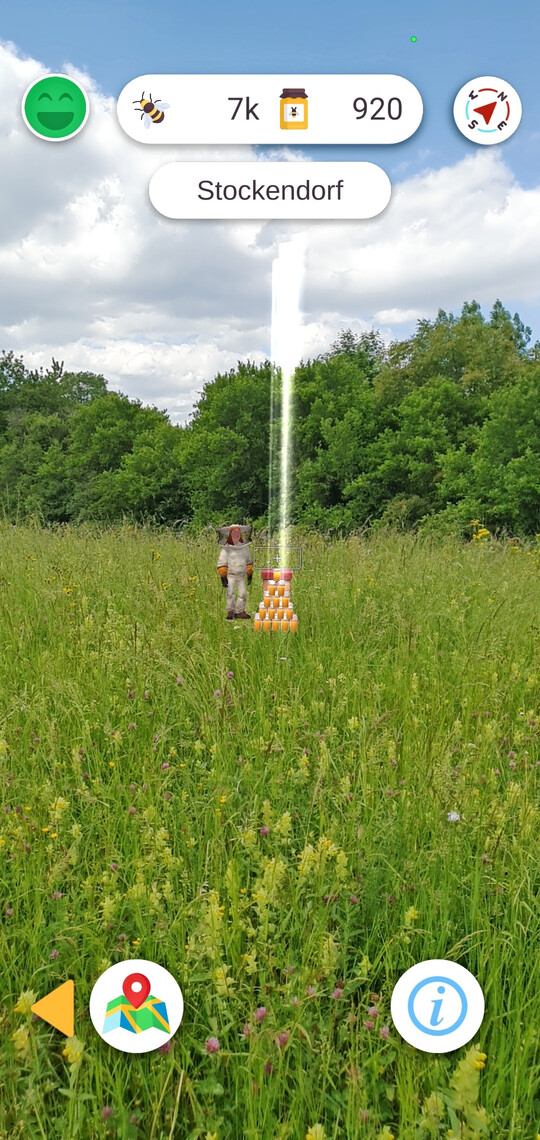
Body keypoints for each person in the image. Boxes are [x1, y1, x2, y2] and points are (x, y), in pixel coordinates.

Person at [217, 525, 253, 620]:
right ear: (230, 534)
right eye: (234, 532)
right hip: (230, 575)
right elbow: (222, 562)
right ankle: (230, 611)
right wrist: (223, 576)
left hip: (241, 576)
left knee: (243, 594)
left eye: (238, 532)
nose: (236, 534)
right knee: (230, 593)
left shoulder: (245, 547)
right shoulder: (226, 548)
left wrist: (249, 573)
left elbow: (248, 561)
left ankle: (239, 611)